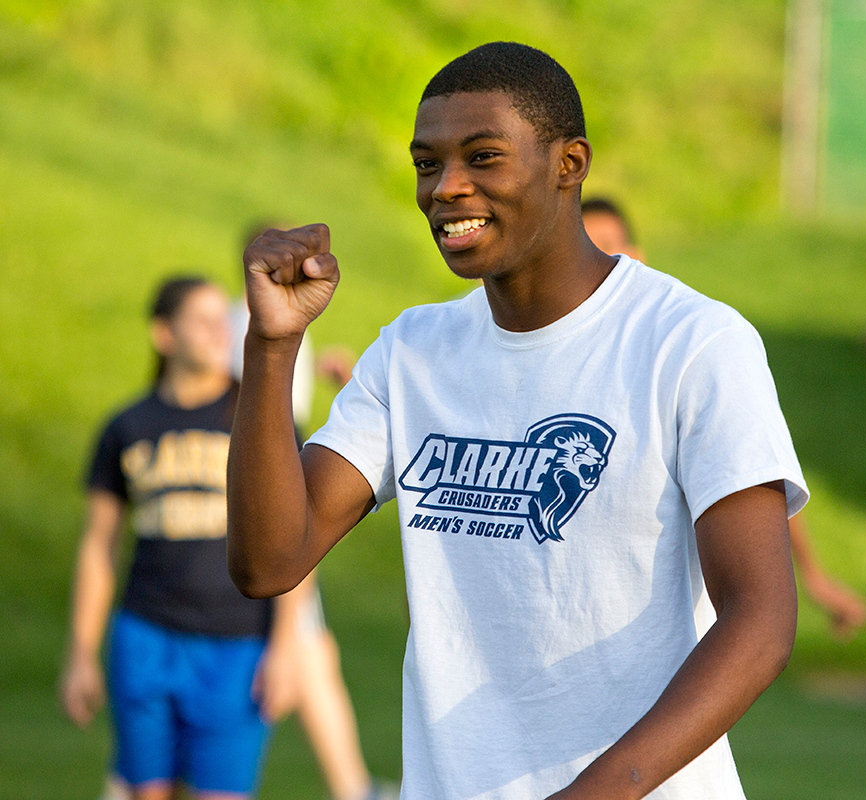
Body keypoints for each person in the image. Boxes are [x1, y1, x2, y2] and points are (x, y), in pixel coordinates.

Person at [227, 41, 807, 800]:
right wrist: (272, 347)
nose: (447, 188)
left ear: (569, 164)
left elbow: (760, 621)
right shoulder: (413, 352)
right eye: (427, 164)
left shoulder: (691, 342)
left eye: (483, 157)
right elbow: (268, 562)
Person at [581, 195, 866, 639]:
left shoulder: (692, 344)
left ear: (639, 254)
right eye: (588, 245)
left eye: (612, 244)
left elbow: (750, 474)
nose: (604, 259)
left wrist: (811, 575)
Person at [60, 276, 302, 800]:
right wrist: (81, 652)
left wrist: (287, 649)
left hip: (238, 646)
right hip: (146, 636)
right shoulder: (126, 427)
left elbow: (293, 548)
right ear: (163, 334)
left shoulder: (262, 419)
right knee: (146, 791)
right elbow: (98, 546)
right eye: (203, 319)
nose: (221, 330)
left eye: (225, 317)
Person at [230, 222, 391, 800]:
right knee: (302, 650)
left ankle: (351, 786)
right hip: (266, 474)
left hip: (291, 460)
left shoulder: (297, 314)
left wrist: (344, 381)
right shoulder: (240, 320)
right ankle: (350, 787)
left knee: (315, 655)